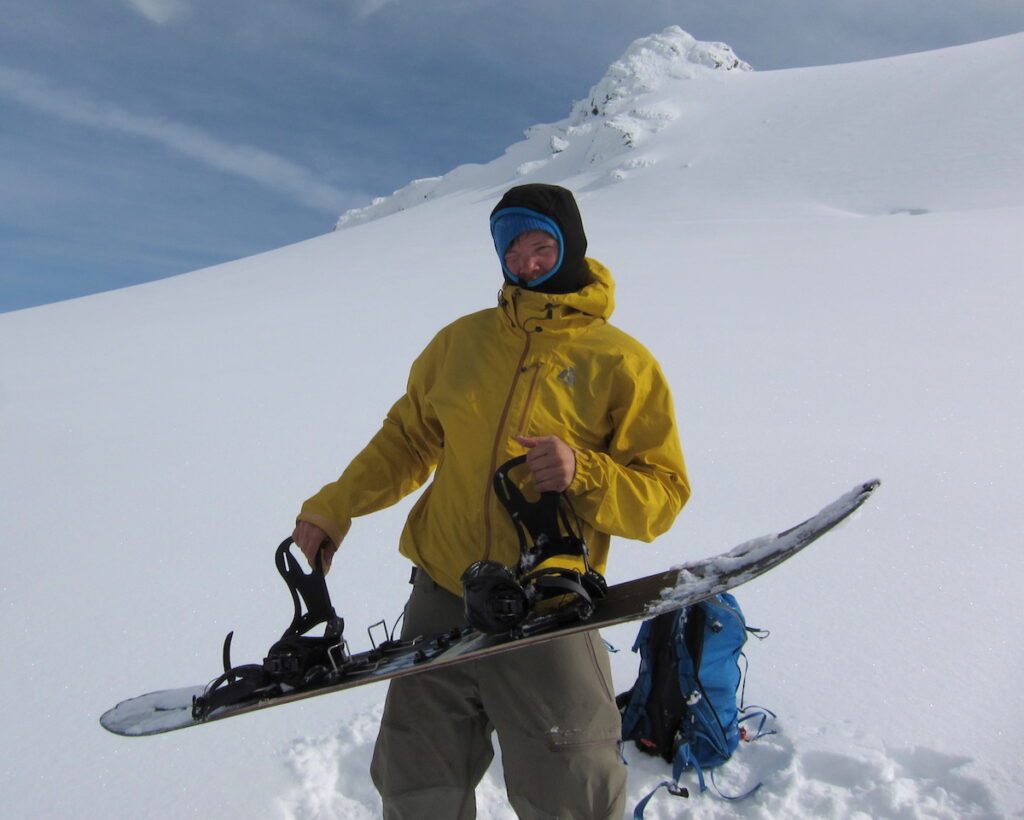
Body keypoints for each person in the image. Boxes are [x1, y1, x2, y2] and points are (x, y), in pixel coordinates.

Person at [292, 182, 689, 819]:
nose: (528, 264)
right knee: (416, 779)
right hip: (442, 594)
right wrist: (333, 506)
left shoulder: (622, 364)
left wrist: (582, 471)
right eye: (512, 252)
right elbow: (405, 443)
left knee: (573, 787)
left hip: (550, 606)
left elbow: (662, 497)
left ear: (572, 246)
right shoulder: (460, 344)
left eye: (542, 246)